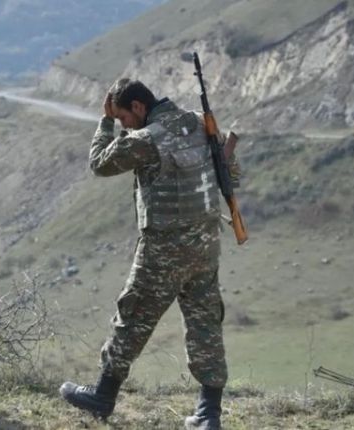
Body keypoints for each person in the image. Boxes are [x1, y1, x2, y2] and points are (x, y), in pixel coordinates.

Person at [59, 79, 227, 430]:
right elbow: (225, 163)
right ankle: (208, 413)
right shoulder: (199, 122)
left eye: (123, 119)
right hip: (206, 244)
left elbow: (100, 163)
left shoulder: (147, 139)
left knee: (132, 317)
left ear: (138, 107)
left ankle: (102, 397)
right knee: (205, 323)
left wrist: (105, 123)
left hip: (164, 249)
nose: (124, 126)